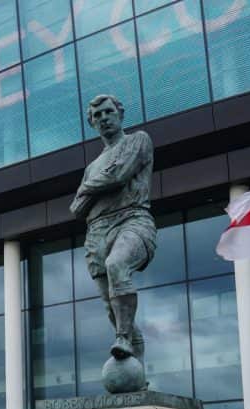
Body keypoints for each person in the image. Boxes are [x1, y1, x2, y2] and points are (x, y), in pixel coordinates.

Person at [70, 94, 157, 364]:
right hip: (96, 232)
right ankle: (135, 364)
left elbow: (119, 176)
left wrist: (89, 187)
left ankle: (121, 338)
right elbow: (77, 208)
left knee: (117, 264)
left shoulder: (138, 140)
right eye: (97, 116)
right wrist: (98, 182)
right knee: (112, 306)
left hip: (132, 219)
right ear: (92, 123)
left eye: (108, 112)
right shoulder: (92, 166)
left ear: (119, 114)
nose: (104, 118)